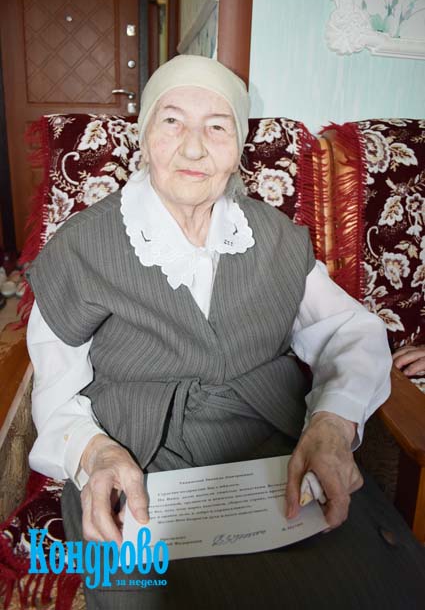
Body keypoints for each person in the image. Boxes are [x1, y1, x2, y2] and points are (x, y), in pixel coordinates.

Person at [26, 55, 425, 609]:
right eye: (172, 121)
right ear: (144, 136)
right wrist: (95, 454)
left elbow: (347, 331)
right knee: (143, 598)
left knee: (377, 586)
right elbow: (52, 386)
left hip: (269, 448)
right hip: (132, 459)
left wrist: (332, 424)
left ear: (239, 147)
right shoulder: (80, 247)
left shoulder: (273, 236)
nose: (194, 148)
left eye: (217, 126)